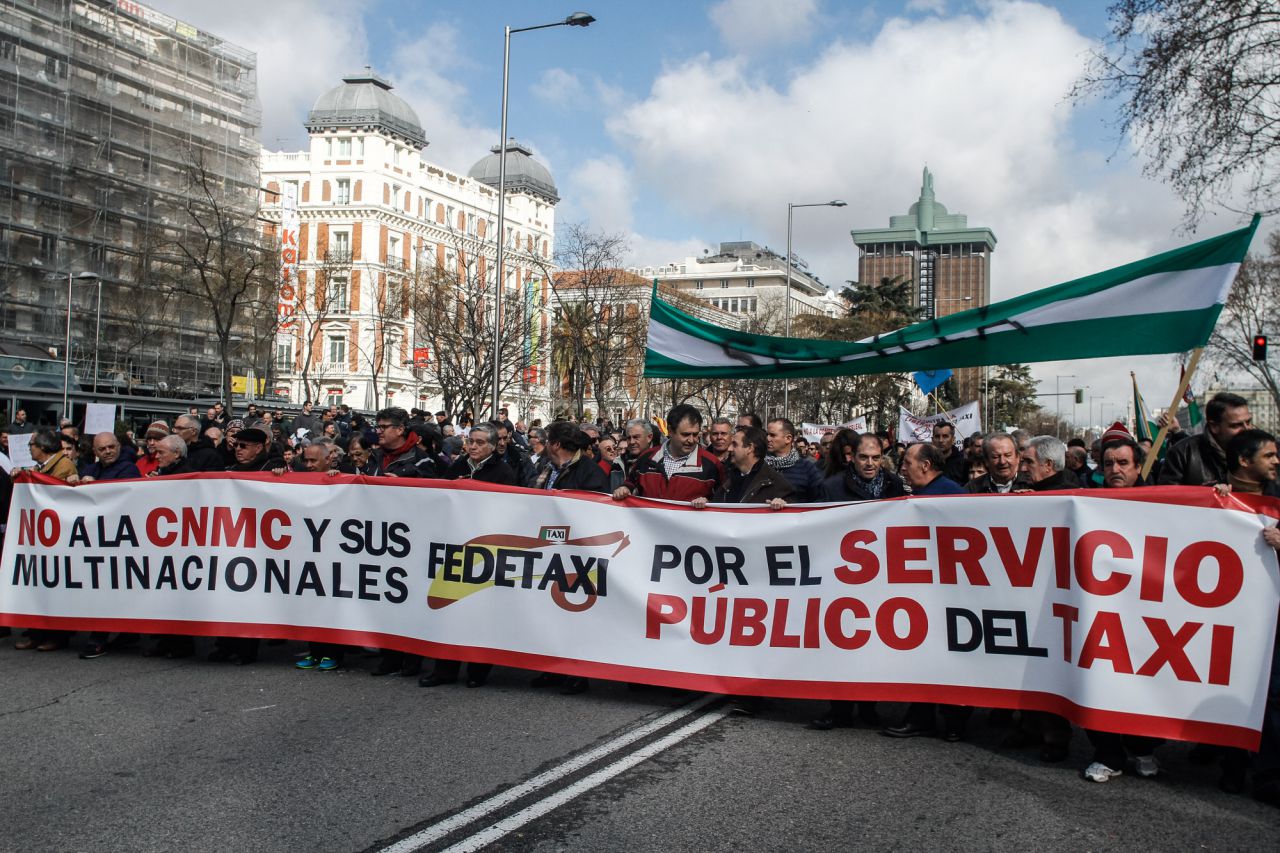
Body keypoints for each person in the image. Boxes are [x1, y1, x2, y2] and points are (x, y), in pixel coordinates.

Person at [423, 424, 518, 688]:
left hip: (485, 549)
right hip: (455, 545)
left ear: (491, 445)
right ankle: (445, 668)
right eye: (470, 442)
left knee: (480, 610)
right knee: (448, 608)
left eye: (478, 442)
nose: (473, 447)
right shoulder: (459, 466)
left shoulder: (503, 471)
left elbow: (508, 509)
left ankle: (478, 668)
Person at [613, 404, 724, 502]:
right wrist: (625, 488)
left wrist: (709, 503)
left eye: (695, 435)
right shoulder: (647, 459)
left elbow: (723, 502)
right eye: (685, 434)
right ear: (670, 431)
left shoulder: (711, 465)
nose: (691, 440)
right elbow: (631, 483)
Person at [1158, 391, 1252, 486]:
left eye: (1248, 422)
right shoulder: (1183, 454)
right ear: (1214, 426)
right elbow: (1168, 496)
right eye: (1236, 425)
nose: (1247, 429)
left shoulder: (1258, 452)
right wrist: (1212, 492)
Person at [693, 426, 793, 510]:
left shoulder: (777, 483)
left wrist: (784, 505)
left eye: (735, 444)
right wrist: (706, 504)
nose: (729, 448)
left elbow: (793, 516)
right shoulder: (727, 477)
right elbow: (719, 507)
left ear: (750, 448)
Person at [818, 432, 906, 502]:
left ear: (882, 457)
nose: (870, 463)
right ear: (852, 457)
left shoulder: (895, 484)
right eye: (863, 457)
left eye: (875, 458)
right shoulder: (832, 487)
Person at [368, 407, 438, 479]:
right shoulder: (373, 455)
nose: (378, 431)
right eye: (378, 427)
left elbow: (428, 488)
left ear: (400, 429)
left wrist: (401, 485)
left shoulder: (422, 461)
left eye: (383, 427)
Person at [765, 418, 823, 502]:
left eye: (772, 435)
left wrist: (790, 504)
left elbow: (820, 499)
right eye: (767, 434)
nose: (767, 438)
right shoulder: (760, 466)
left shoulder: (807, 468)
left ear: (788, 438)